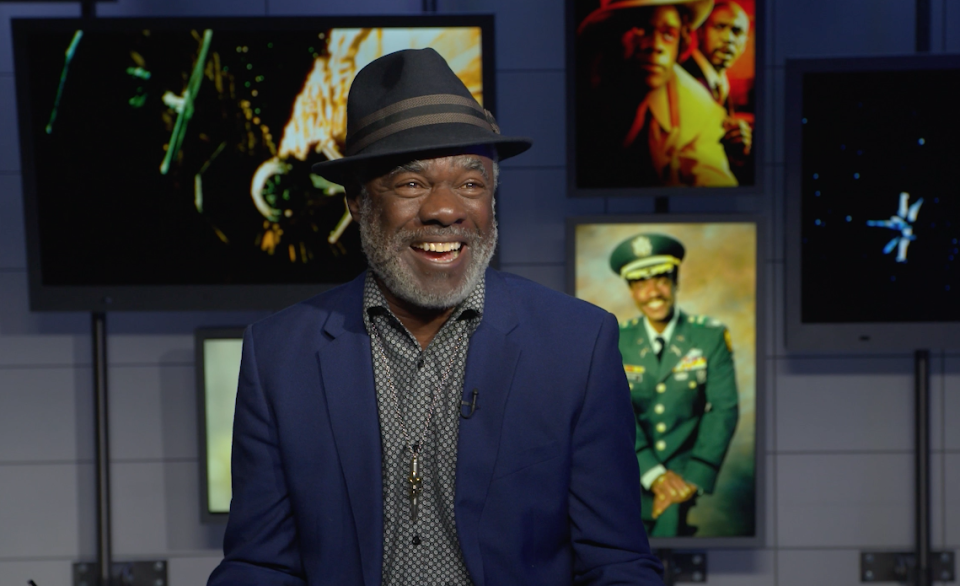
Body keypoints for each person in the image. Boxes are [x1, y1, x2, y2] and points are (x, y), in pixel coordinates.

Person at [207, 48, 665, 586]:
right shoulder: (279, 354)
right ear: (357, 200)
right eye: (412, 184)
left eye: (471, 184)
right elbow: (260, 565)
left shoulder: (577, 344)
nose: (446, 209)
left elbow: (617, 562)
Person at [609, 233, 739, 537]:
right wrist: (654, 474)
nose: (653, 292)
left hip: (683, 481)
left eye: (661, 279)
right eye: (640, 283)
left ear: (676, 281)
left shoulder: (710, 337)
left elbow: (723, 408)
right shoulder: (617, 341)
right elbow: (613, 413)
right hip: (626, 478)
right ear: (630, 290)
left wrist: (694, 477)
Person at [575, 0, 737, 188]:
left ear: (681, 43)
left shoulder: (698, 107)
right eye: (640, 29)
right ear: (613, 32)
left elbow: (714, 182)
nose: (655, 45)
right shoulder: (581, 86)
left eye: (668, 34)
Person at [682, 0, 754, 183]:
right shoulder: (685, 79)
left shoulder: (720, 82)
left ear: (745, 43)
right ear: (700, 32)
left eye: (736, 32)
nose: (728, 38)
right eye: (720, 27)